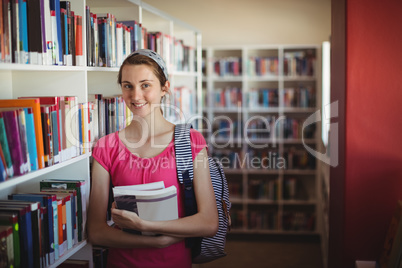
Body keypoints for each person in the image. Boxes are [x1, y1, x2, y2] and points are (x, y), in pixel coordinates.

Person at [87, 49, 219, 268]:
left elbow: (208, 222)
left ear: (164, 88)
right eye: (128, 85)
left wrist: (146, 226)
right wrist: (158, 241)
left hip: (174, 262)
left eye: (145, 85)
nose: (136, 96)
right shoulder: (106, 146)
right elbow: (96, 232)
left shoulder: (190, 141)